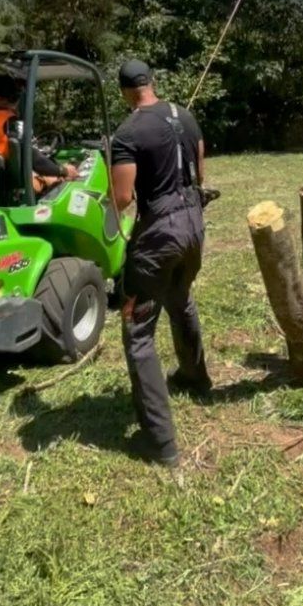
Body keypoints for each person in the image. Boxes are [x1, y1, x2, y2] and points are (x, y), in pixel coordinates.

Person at [110, 58, 211, 472]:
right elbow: (200, 173)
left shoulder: (127, 133)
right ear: (152, 83)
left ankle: (162, 443)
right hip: (194, 227)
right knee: (180, 296)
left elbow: (122, 198)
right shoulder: (185, 116)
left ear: (125, 92)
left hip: (159, 235)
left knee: (137, 333)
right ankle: (195, 377)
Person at [0, 74, 79, 192]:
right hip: (4, 183)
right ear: (13, 97)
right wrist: (62, 171)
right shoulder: (11, 122)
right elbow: (33, 158)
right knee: (52, 180)